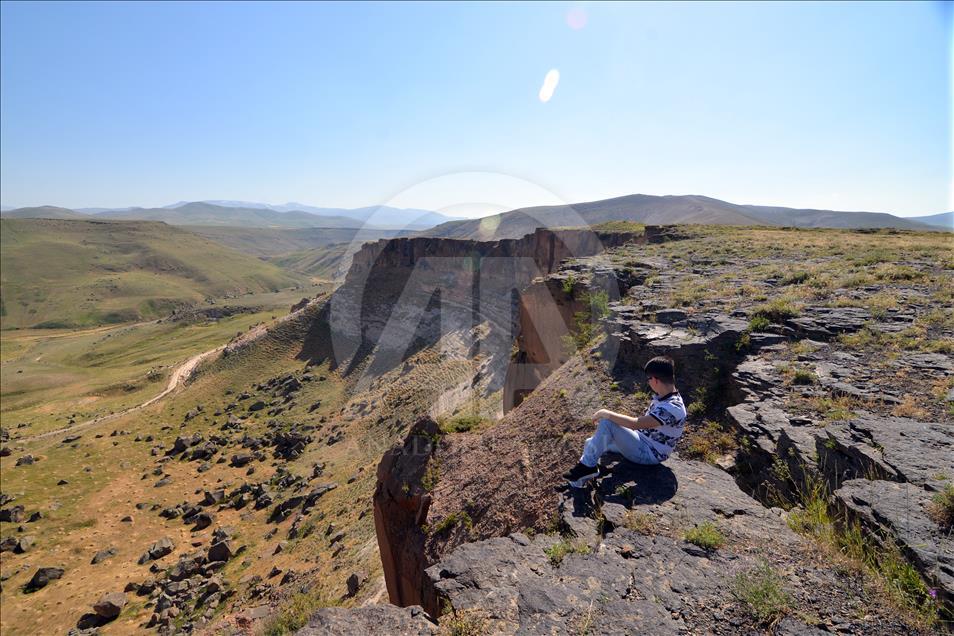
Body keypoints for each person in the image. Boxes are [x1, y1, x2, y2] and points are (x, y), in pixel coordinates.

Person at [563, 356, 687, 488]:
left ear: (655, 380)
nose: (648, 382)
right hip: (641, 441)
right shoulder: (664, 396)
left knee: (607, 422)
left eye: (648, 379)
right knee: (590, 443)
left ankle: (587, 468)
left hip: (650, 453)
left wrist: (607, 413)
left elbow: (635, 424)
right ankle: (576, 485)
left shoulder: (673, 408)